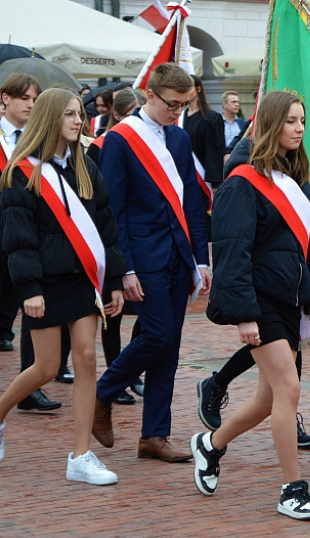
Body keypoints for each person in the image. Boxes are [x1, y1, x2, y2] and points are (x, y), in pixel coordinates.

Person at [191, 90, 310, 520]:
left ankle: (209, 446)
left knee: (269, 401)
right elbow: (233, 252)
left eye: (302, 121)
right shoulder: (241, 183)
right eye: (291, 121)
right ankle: (292, 489)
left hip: (291, 304)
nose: (299, 129)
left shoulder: (299, 184)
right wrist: (245, 314)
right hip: (261, 302)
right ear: (271, 124)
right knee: (289, 390)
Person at [0, 88, 126, 484]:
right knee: (46, 367)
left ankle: (80, 455)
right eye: (69, 114)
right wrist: (29, 288)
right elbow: (19, 239)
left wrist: (115, 282)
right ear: (50, 118)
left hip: (83, 281)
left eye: (80, 114)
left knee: (88, 358)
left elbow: (106, 227)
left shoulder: (86, 166)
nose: (78, 120)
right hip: (45, 283)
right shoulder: (21, 172)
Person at [92, 62, 212, 464]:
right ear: (150, 95)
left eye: (183, 105)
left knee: (170, 347)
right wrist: (123, 268)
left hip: (178, 254)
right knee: (158, 335)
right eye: (172, 104)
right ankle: (104, 392)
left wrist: (201, 258)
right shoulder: (121, 139)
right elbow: (113, 210)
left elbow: (190, 203)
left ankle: (154, 435)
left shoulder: (178, 138)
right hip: (142, 257)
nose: (176, 113)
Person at [0, 73, 62, 410]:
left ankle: (29, 384)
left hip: (26, 236)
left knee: (31, 305)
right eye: (23, 97)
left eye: (35, 99)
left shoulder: (41, 142)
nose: (30, 104)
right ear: (5, 98)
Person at [87, 88, 147, 406]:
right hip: (108, 239)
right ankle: (116, 373)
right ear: (119, 115)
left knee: (145, 312)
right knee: (113, 311)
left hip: (138, 241)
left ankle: (129, 370)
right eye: (132, 114)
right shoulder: (100, 147)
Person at [181, 75, 226, 200]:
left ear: (198, 89)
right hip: (182, 175)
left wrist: (215, 182)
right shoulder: (179, 117)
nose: (185, 92)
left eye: (188, 88)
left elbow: (215, 151)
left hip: (203, 179)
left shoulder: (211, 118)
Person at [220, 91, 248, 159]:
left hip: (239, 161)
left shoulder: (243, 124)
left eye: (238, 102)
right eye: (233, 102)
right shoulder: (217, 123)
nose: (237, 104)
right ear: (224, 105)